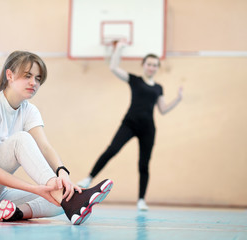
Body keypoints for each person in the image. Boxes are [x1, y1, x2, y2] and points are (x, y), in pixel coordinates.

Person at [0, 51, 113, 225]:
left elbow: (45, 147)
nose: (34, 83)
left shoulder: (29, 110)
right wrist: (36, 189)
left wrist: (63, 172)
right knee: (21, 141)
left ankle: (16, 212)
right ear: (9, 75)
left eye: (38, 79)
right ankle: (69, 198)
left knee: (57, 202)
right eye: (28, 76)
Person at [77, 40, 182, 211]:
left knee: (144, 164)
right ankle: (89, 178)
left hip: (148, 129)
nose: (152, 67)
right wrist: (119, 48)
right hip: (130, 123)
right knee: (112, 149)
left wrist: (178, 99)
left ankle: (141, 199)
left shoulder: (158, 88)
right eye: (149, 64)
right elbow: (113, 68)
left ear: (157, 68)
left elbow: (163, 110)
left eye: (155, 65)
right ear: (144, 65)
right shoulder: (134, 80)